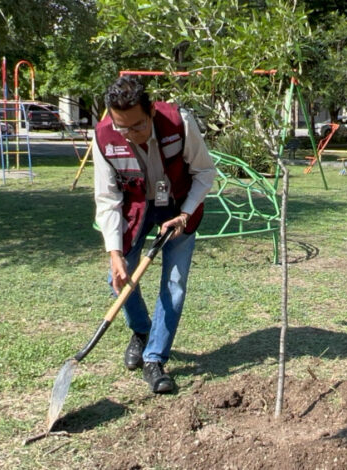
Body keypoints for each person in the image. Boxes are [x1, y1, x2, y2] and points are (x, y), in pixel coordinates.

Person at [92, 75, 216, 393]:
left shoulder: (179, 122)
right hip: (136, 208)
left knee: (173, 284)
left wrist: (184, 214)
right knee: (116, 279)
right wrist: (115, 254)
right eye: (123, 128)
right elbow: (107, 199)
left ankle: (154, 358)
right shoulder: (104, 137)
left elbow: (204, 172)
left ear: (150, 112)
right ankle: (142, 330)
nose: (130, 135)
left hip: (179, 203)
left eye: (138, 126)